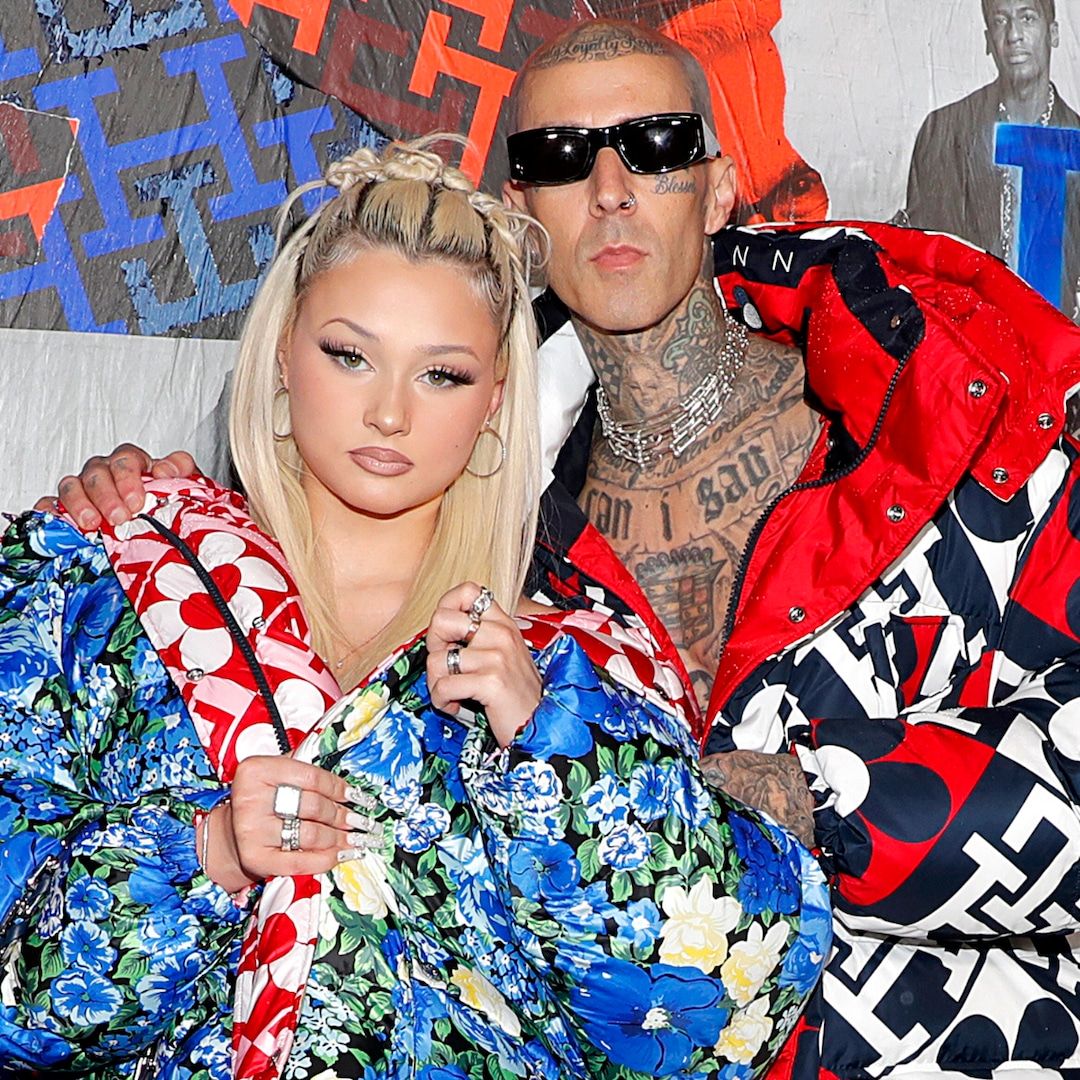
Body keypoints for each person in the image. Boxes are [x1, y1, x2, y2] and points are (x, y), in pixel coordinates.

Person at [50, 16, 1080, 1078]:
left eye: (655, 145)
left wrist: (800, 797)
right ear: (523, 213)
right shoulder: (498, 531)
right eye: (561, 157)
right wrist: (139, 510)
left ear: (720, 188)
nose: (611, 188)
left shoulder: (959, 425)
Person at [0, 138, 830, 1078]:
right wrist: (205, 852)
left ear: (495, 401)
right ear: (283, 355)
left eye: (442, 374)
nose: (390, 413)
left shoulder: (581, 665)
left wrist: (556, 749)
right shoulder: (98, 585)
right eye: (350, 355)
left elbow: (714, 1015)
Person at [903, 0, 1080, 320]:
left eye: (1028, 18)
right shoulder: (944, 133)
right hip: (966, 337)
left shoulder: (1076, 140)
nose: (1014, 35)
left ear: (1053, 33)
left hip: (1057, 341)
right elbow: (926, 272)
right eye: (1001, 21)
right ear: (988, 40)